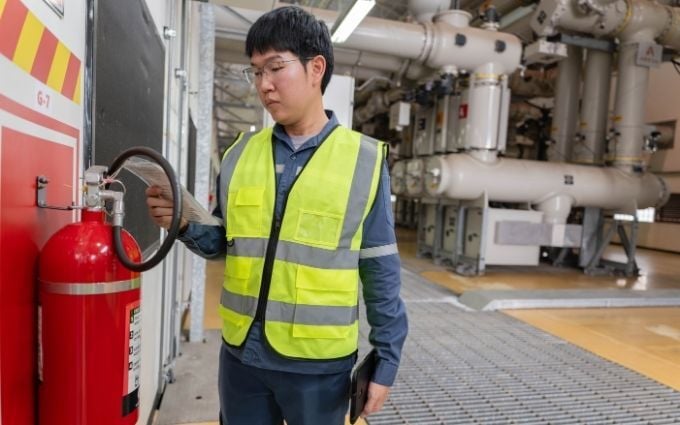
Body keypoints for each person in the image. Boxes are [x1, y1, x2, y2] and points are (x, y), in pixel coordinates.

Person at [146, 6, 407, 425]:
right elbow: (224, 245)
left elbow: (380, 270)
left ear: (315, 68)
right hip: (241, 358)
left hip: (317, 368)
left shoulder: (364, 161)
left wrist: (387, 360)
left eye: (275, 68)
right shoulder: (239, 156)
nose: (264, 85)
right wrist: (182, 224)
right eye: (255, 72)